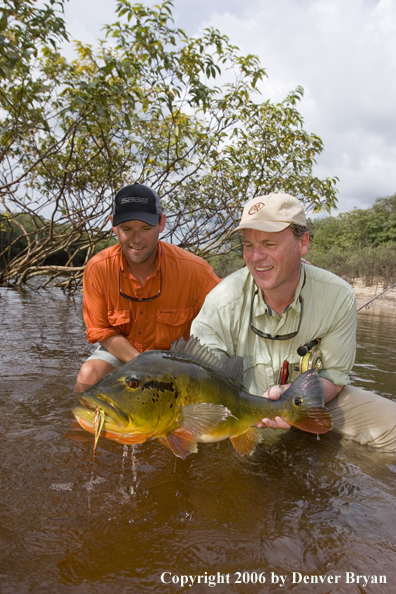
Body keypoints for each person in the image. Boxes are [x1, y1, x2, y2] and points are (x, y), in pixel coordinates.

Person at [191, 193, 396, 451]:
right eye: (248, 245)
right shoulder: (221, 300)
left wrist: (290, 397)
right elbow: (200, 380)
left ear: (303, 243)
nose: (255, 257)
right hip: (236, 409)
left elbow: (333, 376)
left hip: (306, 399)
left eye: (269, 243)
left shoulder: (337, 296)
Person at [76, 182, 220, 390]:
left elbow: (228, 319)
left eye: (146, 228)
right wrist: (145, 365)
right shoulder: (98, 268)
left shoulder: (196, 270)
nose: (136, 239)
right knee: (89, 375)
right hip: (122, 354)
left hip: (178, 361)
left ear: (161, 223)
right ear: (113, 224)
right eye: (127, 229)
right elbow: (100, 331)